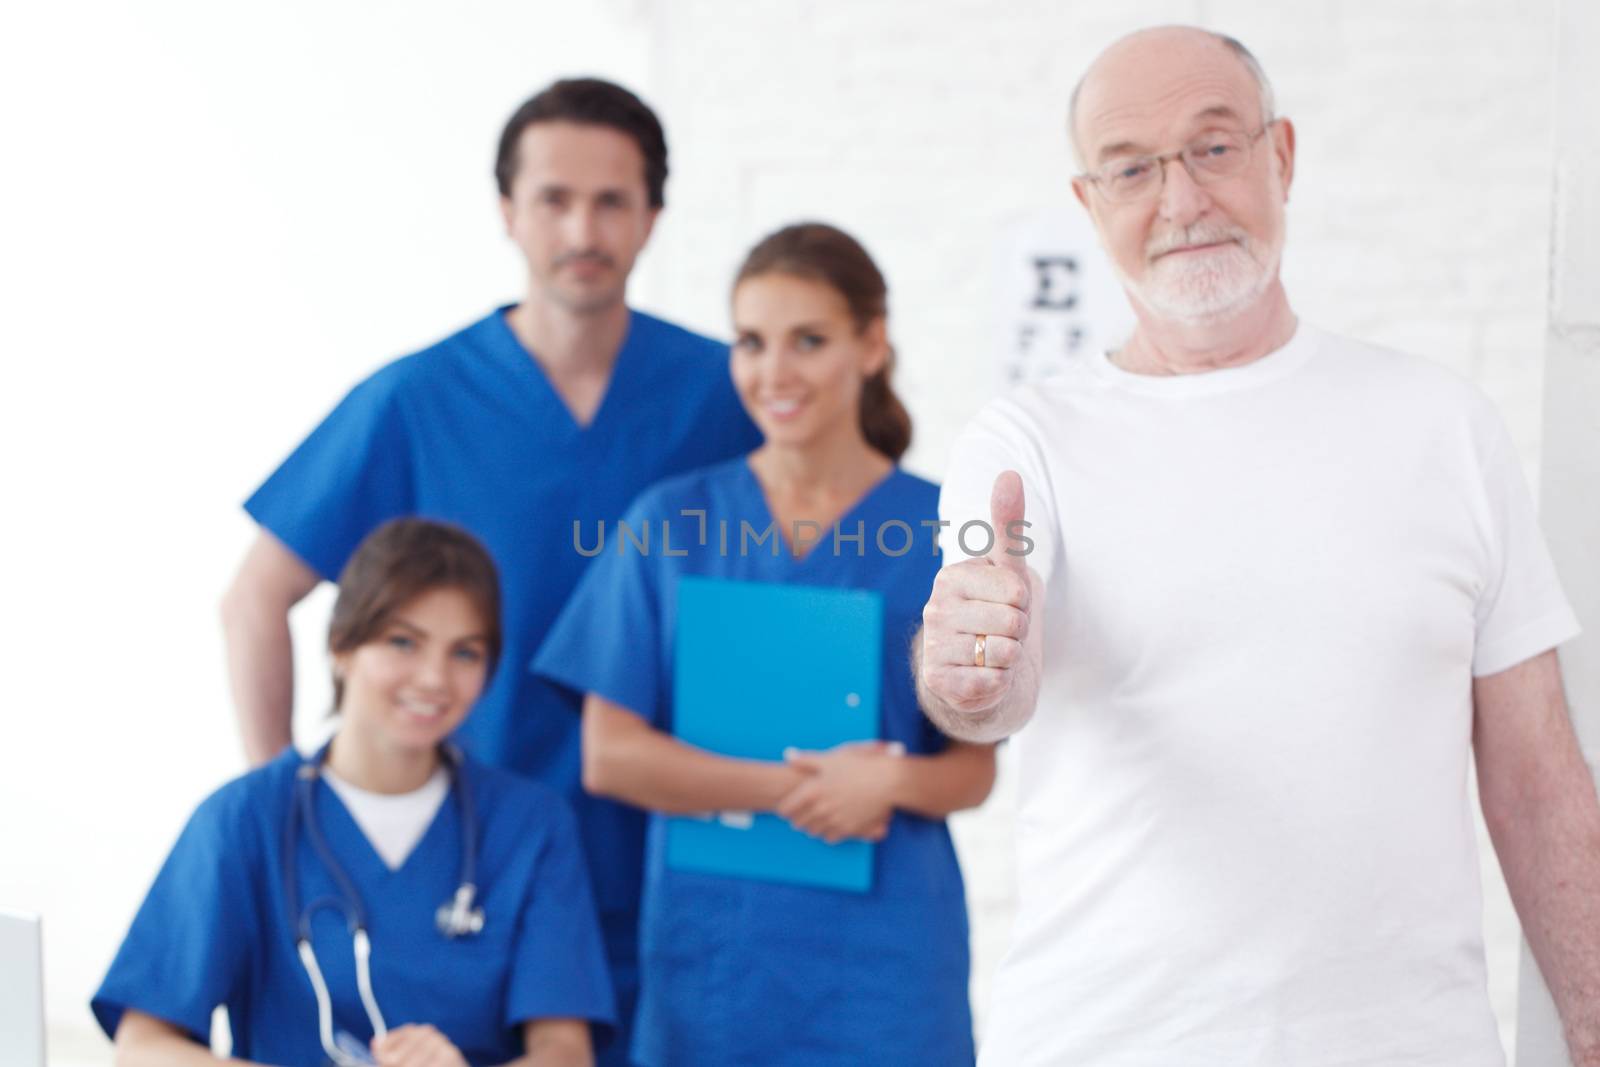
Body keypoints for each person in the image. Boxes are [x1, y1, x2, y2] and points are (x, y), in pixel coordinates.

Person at [916, 25, 1600, 1067]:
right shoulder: (1020, 446)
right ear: (1089, 204)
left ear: (1280, 156)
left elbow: (1539, 775)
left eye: (1214, 147)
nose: (1181, 199)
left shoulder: (1441, 423)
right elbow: (981, 692)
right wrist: (968, 657)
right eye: (1132, 168)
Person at [221, 78, 762, 1062]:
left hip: (675, 862)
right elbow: (257, 595)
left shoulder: (721, 397)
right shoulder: (415, 400)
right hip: (469, 875)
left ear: (652, 218)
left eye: (611, 201)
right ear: (508, 211)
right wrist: (282, 808)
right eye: (554, 198)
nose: (582, 227)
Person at [534, 222, 994, 1066]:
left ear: (871, 344)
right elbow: (612, 757)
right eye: (750, 342)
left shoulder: (940, 530)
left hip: (885, 966)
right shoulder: (669, 523)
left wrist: (891, 779)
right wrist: (801, 787)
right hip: (714, 960)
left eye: (808, 341)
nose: (772, 372)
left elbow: (974, 770)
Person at [96, 519, 613, 1067]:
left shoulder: (530, 826)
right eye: (403, 642)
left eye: (465, 652)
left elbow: (565, 1052)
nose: (435, 677)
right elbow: (143, 1045)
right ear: (342, 645)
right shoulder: (245, 819)